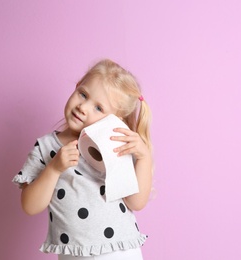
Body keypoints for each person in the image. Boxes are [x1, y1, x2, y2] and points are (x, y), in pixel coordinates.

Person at [12, 59, 153, 260]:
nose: (83, 107)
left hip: (120, 251)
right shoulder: (45, 148)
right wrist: (53, 169)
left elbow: (136, 202)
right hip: (76, 254)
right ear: (76, 87)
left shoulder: (115, 146)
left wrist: (143, 157)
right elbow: (30, 206)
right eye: (83, 94)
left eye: (99, 108)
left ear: (113, 120)